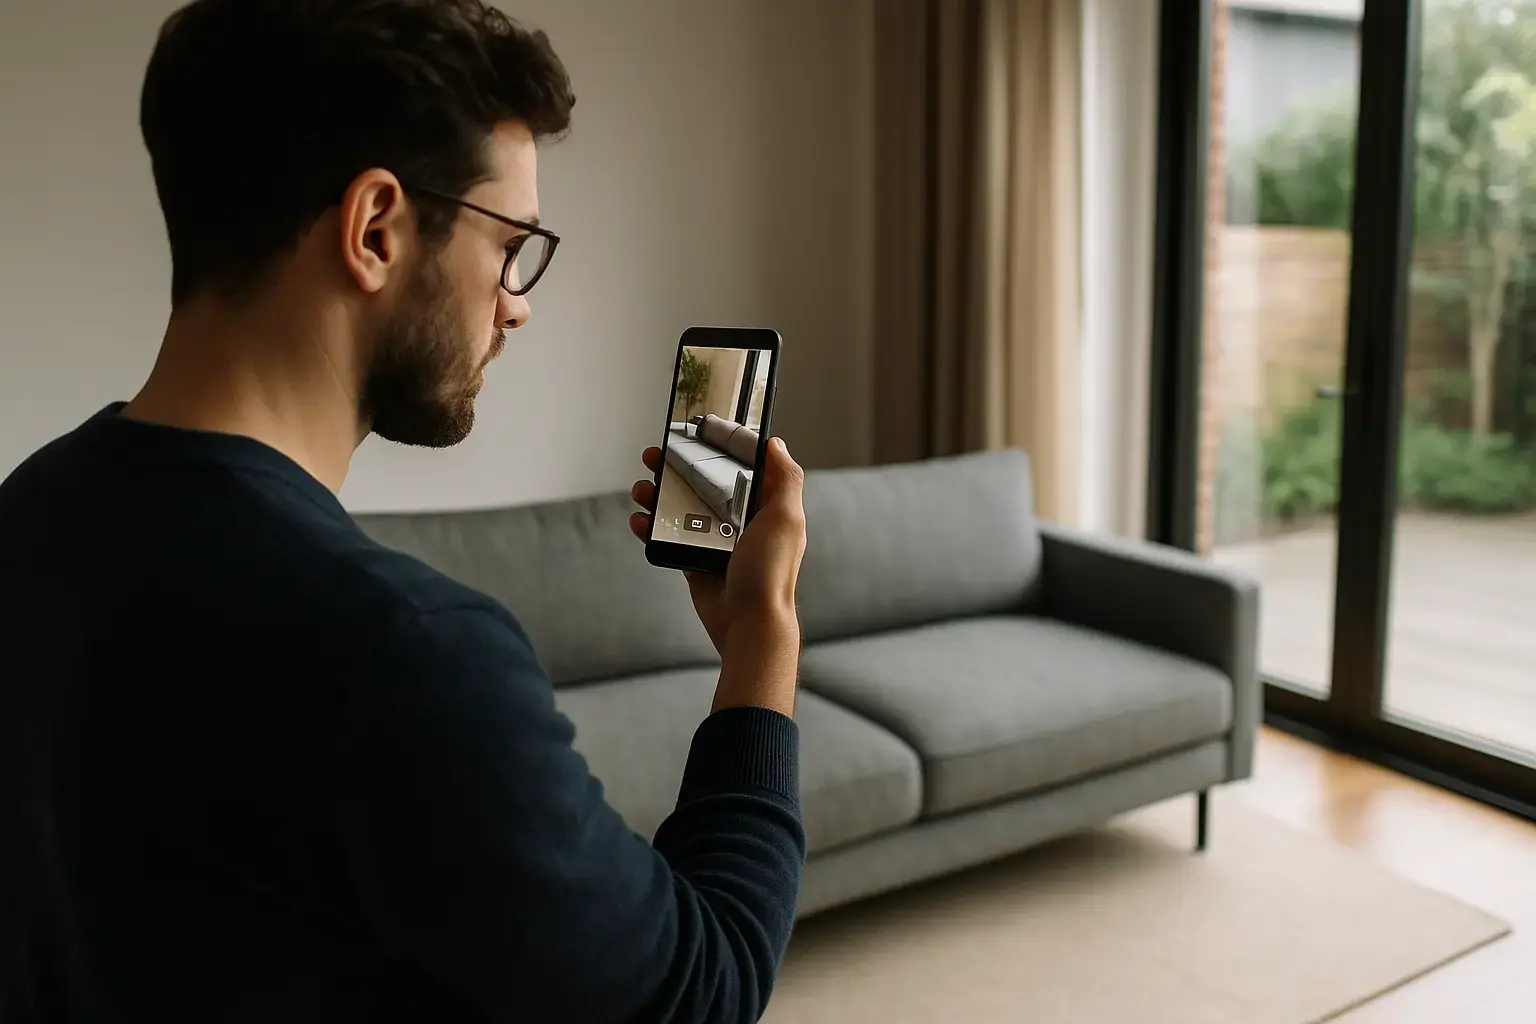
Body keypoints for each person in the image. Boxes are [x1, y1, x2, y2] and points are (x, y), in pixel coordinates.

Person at [0, 1, 809, 1021]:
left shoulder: (27, 519)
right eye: (512, 242)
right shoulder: (405, 652)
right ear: (376, 227)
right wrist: (762, 637)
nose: (517, 301)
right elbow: (707, 984)